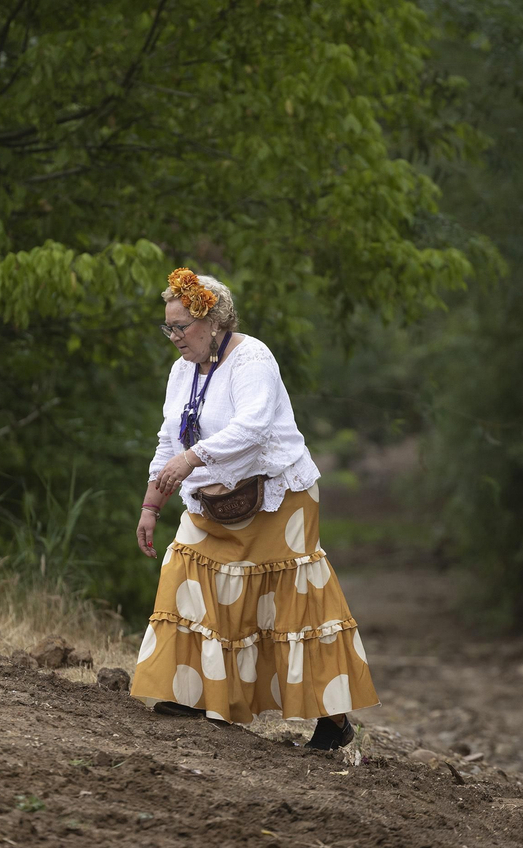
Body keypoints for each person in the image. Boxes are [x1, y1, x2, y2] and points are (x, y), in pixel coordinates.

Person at [129, 268, 378, 750]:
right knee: (187, 577)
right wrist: (151, 503)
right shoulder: (182, 371)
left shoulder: (252, 358)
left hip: (278, 498)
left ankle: (334, 721)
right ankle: (194, 696)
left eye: (181, 326)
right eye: (169, 327)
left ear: (214, 321)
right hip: (211, 500)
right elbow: (168, 440)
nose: (174, 337)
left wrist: (190, 458)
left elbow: (255, 427)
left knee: (290, 606)